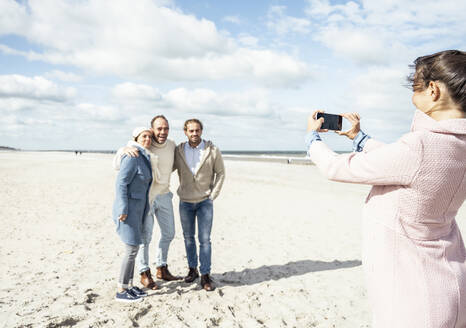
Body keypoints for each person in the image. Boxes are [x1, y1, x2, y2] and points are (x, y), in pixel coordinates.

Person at [305, 50, 466, 327]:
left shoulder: (421, 147)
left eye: (414, 85)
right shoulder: (451, 145)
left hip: (414, 298)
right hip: (449, 282)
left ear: (433, 90)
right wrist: (359, 138)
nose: (411, 94)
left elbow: (337, 168)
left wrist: (311, 139)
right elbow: (401, 163)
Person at [113, 115, 182, 291]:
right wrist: (122, 150)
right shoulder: (144, 146)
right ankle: (144, 273)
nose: (163, 132)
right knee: (146, 237)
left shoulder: (172, 145)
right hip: (148, 198)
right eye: (159, 128)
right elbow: (122, 163)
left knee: (169, 233)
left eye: (166, 128)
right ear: (152, 130)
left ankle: (161, 267)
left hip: (165, 195)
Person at [174, 118, 225, 291]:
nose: (194, 133)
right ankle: (192, 270)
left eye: (197, 130)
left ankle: (205, 275)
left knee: (204, 240)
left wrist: (213, 195)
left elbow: (221, 173)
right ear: (185, 132)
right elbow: (165, 165)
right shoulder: (178, 151)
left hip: (205, 202)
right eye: (191, 131)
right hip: (185, 201)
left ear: (201, 131)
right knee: (188, 238)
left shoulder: (212, 150)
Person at [112, 127, 153, 302]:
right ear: (136, 137)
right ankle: (121, 289)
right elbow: (121, 183)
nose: (147, 139)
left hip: (138, 210)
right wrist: (122, 208)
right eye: (144, 136)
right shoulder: (132, 156)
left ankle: (128, 285)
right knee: (131, 249)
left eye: (150, 137)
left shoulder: (143, 156)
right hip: (127, 210)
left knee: (135, 247)